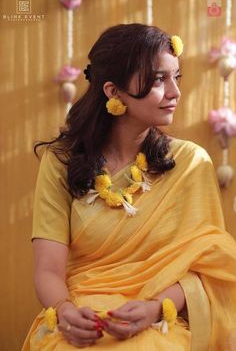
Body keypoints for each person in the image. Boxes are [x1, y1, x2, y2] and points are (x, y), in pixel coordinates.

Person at [22, 23, 236, 351]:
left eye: (175, 77)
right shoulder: (62, 161)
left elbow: (210, 267)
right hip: (80, 316)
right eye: (158, 79)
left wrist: (156, 308)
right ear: (113, 91)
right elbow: (48, 270)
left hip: (159, 319)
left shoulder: (190, 162)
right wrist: (65, 311)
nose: (175, 92)